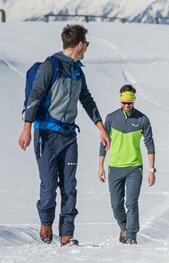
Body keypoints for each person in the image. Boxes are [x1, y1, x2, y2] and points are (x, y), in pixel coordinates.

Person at [18, 24, 110, 246]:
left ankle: (67, 235)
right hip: (47, 135)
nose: (87, 47)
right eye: (86, 44)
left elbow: (86, 99)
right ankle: (46, 222)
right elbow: (36, 96)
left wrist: (100, 127)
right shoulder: (51, 66)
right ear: (79, 44)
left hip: (69, 136)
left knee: (69, 186)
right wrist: (27, 128)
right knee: (49, 186)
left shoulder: (78, 70)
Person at [98, 84, 156, 245]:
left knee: (131, 202)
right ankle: (124, 227)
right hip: (115, 167)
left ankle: (131, 236)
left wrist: (151, 170)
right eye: (123, 102)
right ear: (120, 101)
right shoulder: (111, 118)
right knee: (116, 204)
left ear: (134, 101)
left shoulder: (142, 119)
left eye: (129, 103)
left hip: (134, 168)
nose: (126, 106)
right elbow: (103, 143)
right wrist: (100, 167)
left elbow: (150, 144)